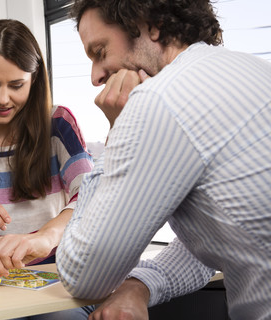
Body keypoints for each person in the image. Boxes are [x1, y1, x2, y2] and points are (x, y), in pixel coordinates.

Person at [56, 1, 271, 319]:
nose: (95, 77)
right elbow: (218, 242)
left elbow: (84, 275)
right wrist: (139, 285)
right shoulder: (253, 70)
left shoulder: (159, 98)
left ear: (151, 25)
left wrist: (116, 132)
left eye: (100, 51)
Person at [0, 19, 95, 319]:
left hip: (59, 273)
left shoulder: (58, 125)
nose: (3, 99)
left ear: (35, 78)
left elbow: (91, 197)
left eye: (17, 85)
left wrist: (44, 236)